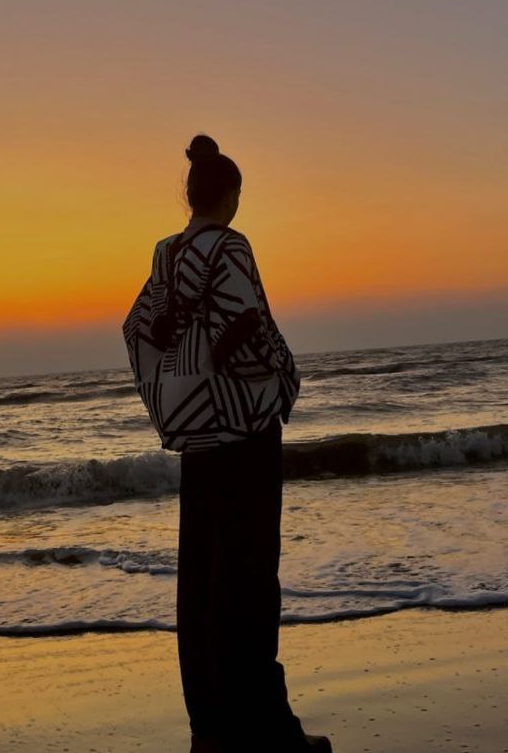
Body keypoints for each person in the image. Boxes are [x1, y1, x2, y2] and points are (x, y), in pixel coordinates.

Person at [121, 134, 332, 752]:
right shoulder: (229, 246)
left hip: (197, 437)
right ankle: (268, 731)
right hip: (244, 431)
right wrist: (280, 377)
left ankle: (210, 729)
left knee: (202, 584)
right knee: (251, 579)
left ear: (190, 194)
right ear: (231, 195)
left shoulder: (167, 254)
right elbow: (245, 324)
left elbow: (140, 327)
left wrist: (178, 387)